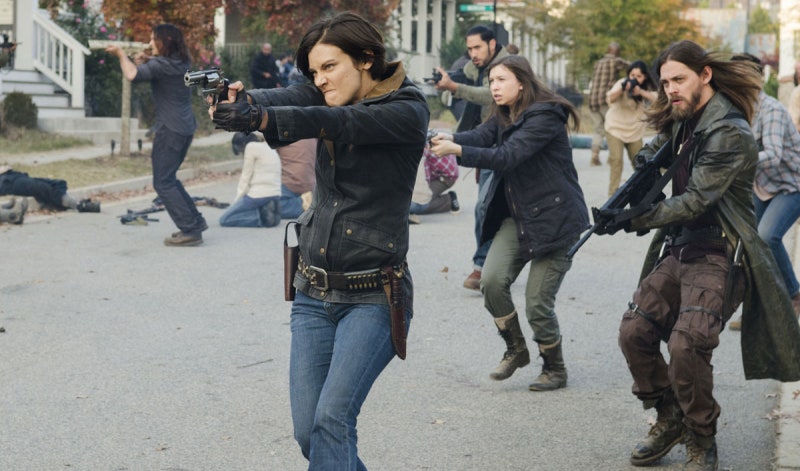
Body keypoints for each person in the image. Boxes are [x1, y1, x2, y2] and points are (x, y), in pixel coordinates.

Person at [210, 12, 429, 469]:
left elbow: (341, 123)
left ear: (366, 59)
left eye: (330, 66)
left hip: (373, 296)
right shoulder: (329, 91)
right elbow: (294, 95)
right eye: (315, 71)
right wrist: (243, 100)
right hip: (312, 292)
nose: (321, 79)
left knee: (332, 420)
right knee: (310, 431)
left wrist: (262, 116)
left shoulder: (407, 110)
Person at [594, 40, 800, 471]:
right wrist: (642, 171)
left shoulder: (729, 131)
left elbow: (694, 201)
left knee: (687, 345)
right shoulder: (684, 116)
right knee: (634, 332)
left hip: (722, 252)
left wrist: (633, 218)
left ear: (705, 75)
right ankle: (670, 417)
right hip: (683, 246)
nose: (671, 88)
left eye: (679, 79)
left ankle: (701, 437)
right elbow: (657, 151)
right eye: (665, 81)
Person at [431, 55, 588, 391]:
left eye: (501, 80)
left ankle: (555, 367)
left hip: (556, 220)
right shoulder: (504, 112)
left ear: (522, 82)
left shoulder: (545, 115)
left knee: (537, 303)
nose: (494, 87)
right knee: (490, 281)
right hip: (519, 216)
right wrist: (444, 138)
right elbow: (480, 135)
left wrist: (456, 150)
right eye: (491, 81)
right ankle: (516, 349)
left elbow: (508, 156)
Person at [106, 24, 207, 247]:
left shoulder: (161, 65)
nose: (150, 42)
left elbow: (132, 74)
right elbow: (158, 66)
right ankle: (195, 222)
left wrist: (121, 54)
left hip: (170, 130)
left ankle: (190, 230)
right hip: (185, 128)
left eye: (153, 39)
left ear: (164, 42)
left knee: (163, 182)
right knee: (170, 178)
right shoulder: (182, 63)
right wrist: (148, 59)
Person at [433, 25, 510, 291]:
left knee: (491, 208)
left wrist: (455, 87)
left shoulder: (508, 66)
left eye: (478, 47)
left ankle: (486, 265)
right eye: (469, 49)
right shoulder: (472, 68)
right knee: (485, 207)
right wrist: (445, 85)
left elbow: (488, 96)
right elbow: (459, 89)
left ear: (492, 44)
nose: (473, 53)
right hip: (487, 145)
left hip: (511, 147)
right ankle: (484, 264)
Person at [727, 54, 800, 330]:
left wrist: (737, 160)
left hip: (791, 184)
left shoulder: (772, 111)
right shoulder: (737, 108)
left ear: (757, 79)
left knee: (767, 236)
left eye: (741, 75)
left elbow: (774, 154)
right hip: (762, 184)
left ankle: (794, 295)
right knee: (750, 244)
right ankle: (755, 310)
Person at [604, 60, 658, 196]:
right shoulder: (622, 82)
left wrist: (640, 92)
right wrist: (623, 88)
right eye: (632, 75)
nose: (634, 79)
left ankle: (645, 195)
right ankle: (612, 196)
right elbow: (610, 97)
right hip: (615, 128)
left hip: (635, 131)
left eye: (639, 76)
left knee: (639, 163)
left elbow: (657, 99)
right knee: (616, 161)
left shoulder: (646, 87)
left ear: (644, 77)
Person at [218, 132, 281, 228]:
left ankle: (262, 219)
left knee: (225, 219)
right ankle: (269, 215)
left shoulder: (250, 147)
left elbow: (245, 177)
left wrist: (236, 202)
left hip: (258, 195)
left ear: (242, 145)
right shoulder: (268, 146)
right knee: (246, 208)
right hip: (276, 194)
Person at [0, 165, 100, 217]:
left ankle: (55, 204)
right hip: (6, 182)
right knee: (42, 187)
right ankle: (79, 205)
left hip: (11, 176)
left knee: (56, 183)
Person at [588, 42, 630, 166]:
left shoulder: (598, 63)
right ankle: (612, 157)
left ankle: (595, 155)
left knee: (598, 129)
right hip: (605, 100)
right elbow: (632, 66)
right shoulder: (616, 61)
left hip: (592, 100)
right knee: (613, 128)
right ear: (617, 52)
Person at [409, 144, 460, 216]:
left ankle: (449, 200)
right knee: (413, 199)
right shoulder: (422, 139)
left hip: (445, 178)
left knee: (419, 204)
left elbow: (425, 175)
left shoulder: (422, 148)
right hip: (442, 172)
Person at [276, 138, 316, 219]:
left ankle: (306, 204)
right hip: (311, 185)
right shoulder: (314, 136)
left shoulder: (280, 135)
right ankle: (313, 203)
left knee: (272, 207)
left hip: (290, 185)